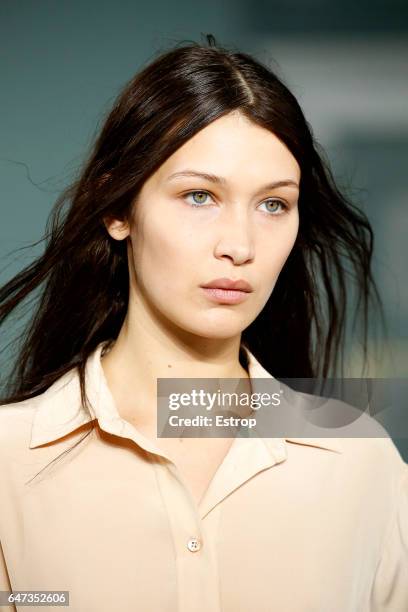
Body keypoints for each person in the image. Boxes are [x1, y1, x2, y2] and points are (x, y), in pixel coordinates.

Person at [0, 34, 407, 612]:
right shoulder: (10, 465)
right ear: (117, 208)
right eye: (198, 196)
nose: (240, 246)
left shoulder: (360, 464)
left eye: (274, 205)